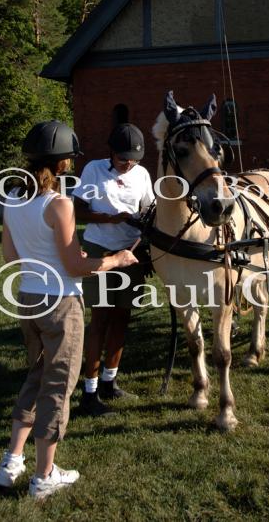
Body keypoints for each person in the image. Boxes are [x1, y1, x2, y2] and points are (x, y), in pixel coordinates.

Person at [0, 120, 138, 499]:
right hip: (60, 303)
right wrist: (116, 260)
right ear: (61, 163)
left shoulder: (12, 196)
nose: (74, 163)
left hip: (27, 298)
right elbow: (75, 267)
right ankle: (44, 477)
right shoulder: (59, 203)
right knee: (57, 387)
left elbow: (11, 255)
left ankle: (11, 461)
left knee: (36, 377)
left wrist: (56, 256)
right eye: (70, 158)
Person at [73, 123, 154, 416]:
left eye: (133, 158)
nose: (128, 163)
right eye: (123, 159)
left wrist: (145, 238)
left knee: (122, 317)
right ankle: (89, 391)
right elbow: (77, 209)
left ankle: (110, 381)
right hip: (99, 250)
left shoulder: (142, 174)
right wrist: (109, 219)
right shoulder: (93, 170)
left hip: (130, 254)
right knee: (100, 320)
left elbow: (149, 210)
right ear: (111, 153)